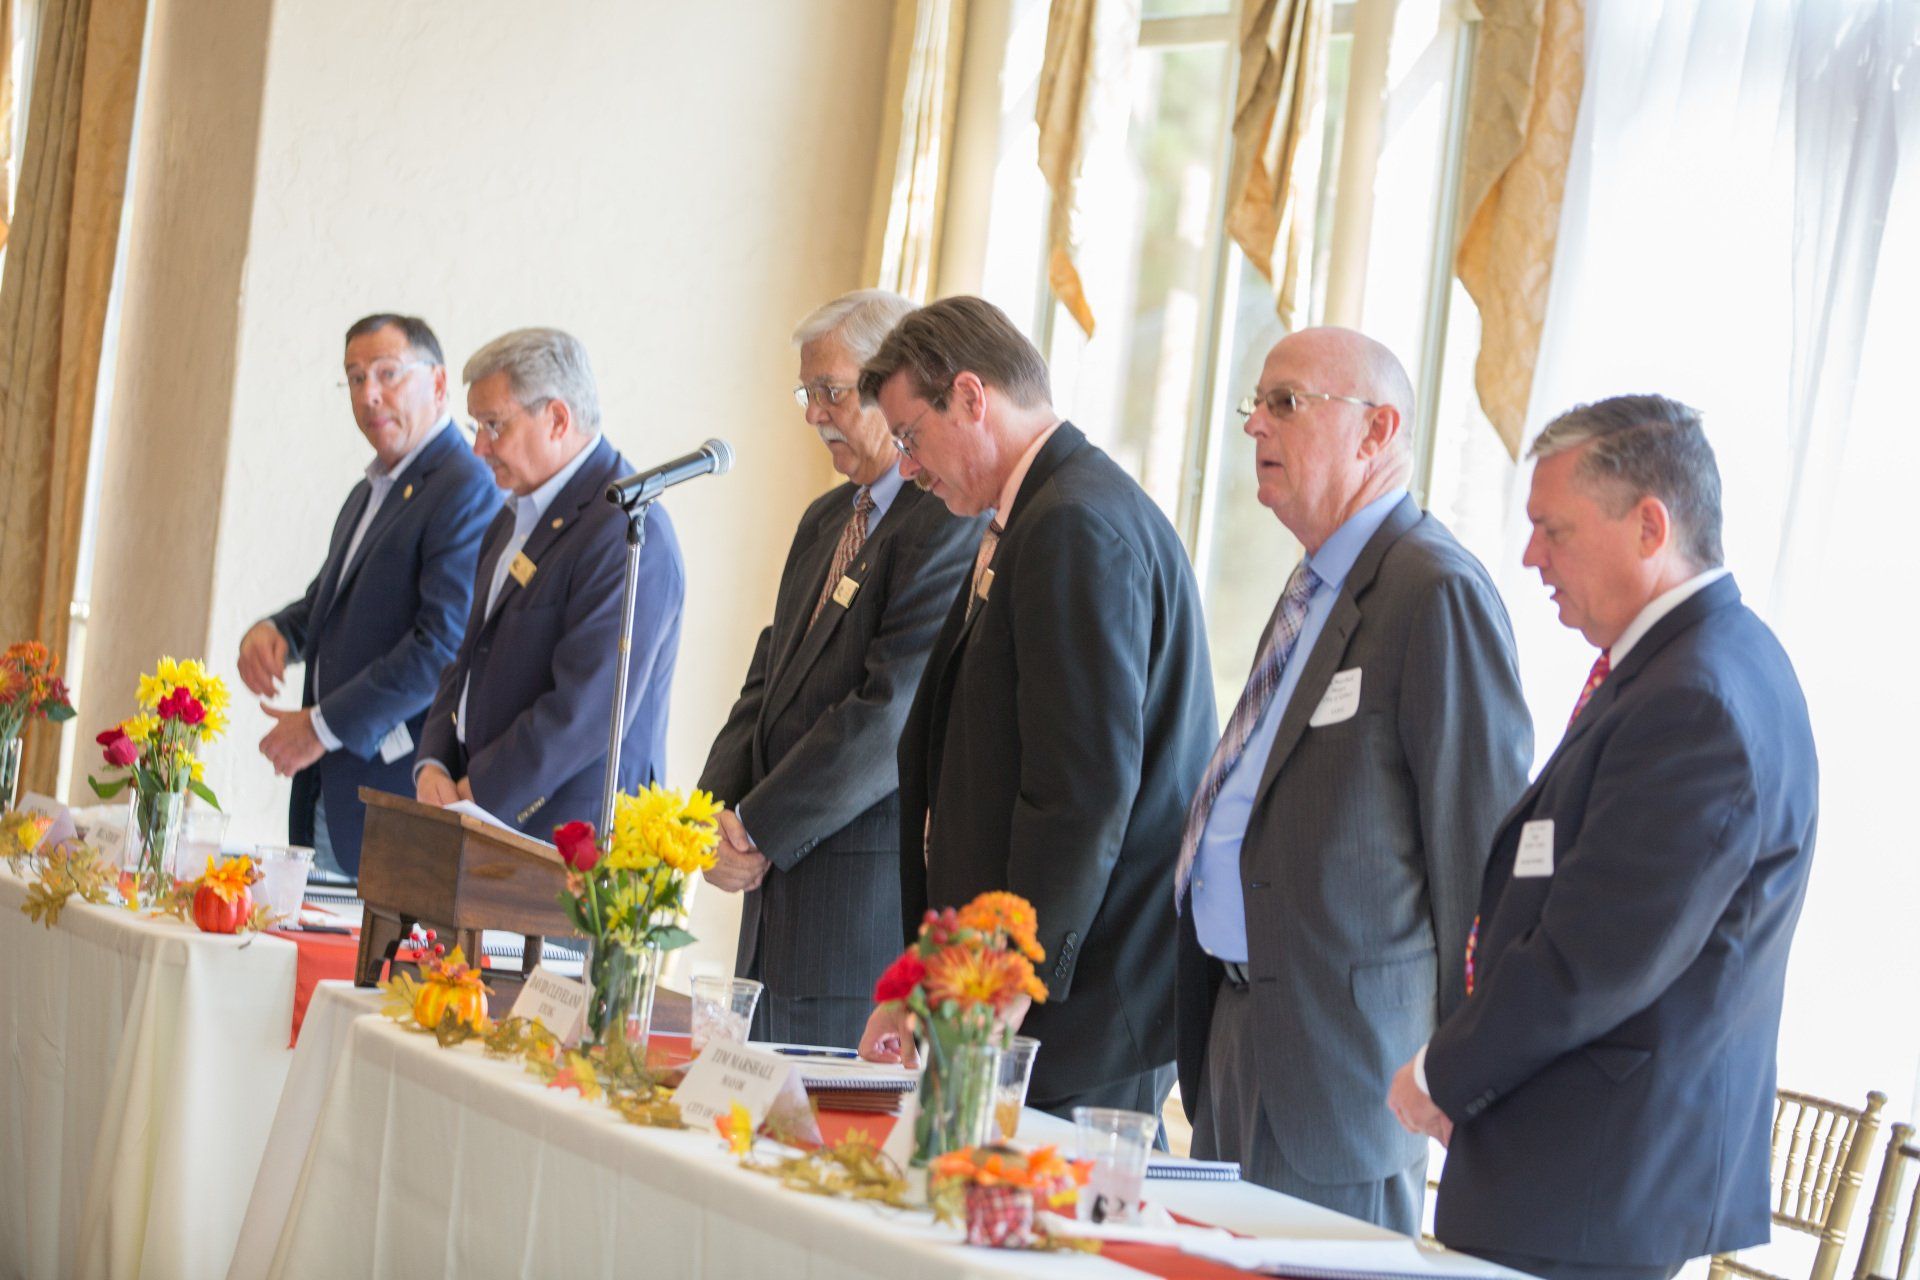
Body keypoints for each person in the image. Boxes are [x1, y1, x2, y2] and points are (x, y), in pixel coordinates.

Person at [1389, 395, 1818, 1280]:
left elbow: (1597, 956)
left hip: (1589, 1185)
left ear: (1650, 526)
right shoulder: (1704, 662)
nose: (1530, 556)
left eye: (1555, 529)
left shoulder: (1696, 698)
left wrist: (1441, 1073)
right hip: (1585, 1176)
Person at [1175, 327, 1532, 1233]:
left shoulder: (1434, 590)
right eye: (1254, 402)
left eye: (1286, 402)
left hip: (1344, 1070)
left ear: (1378, 431)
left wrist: (1464, 1070)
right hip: (1236, 1029)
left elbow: (1480, 857)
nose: (1255, 423)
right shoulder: (1315, 585)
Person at [855, 296, 1217, 1120]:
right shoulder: (1036, 516)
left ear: (973, 398)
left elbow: (1080, 791)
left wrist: (1007, 979)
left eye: (910, 437)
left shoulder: (1075, 523)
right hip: (1025, 994)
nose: (906, 468)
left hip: (1072, 1009)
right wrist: (930, 978)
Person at [697, 290, 981, 1048]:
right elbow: (767, 680)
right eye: (807, 392)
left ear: (894, 386)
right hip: (770, 914)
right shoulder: (826, 519)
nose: (814, 413)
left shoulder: (944, 520)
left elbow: (888, 713)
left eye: (832, 390)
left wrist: (757, 829)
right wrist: (707, 819)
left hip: (852, 915)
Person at [239, 313, 498, 879]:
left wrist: (319, 726)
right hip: (329, 792)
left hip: (392, 791)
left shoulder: (465, 485)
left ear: (437, 384)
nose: (369, 394)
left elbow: (442, 644)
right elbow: (330, 607)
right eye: (354, 378)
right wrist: (279, 631)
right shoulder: (369, 491)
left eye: (386, 373)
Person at [414, 327, 684, 835]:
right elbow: (467, 657)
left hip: (564, 841)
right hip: (478, 817)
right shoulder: (511, 517)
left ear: (557, 418)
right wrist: (433, 763)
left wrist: (477, 793)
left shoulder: (626, 530)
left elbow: (587, 710)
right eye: (476, 426)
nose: (478, 447)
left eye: (493, 425)